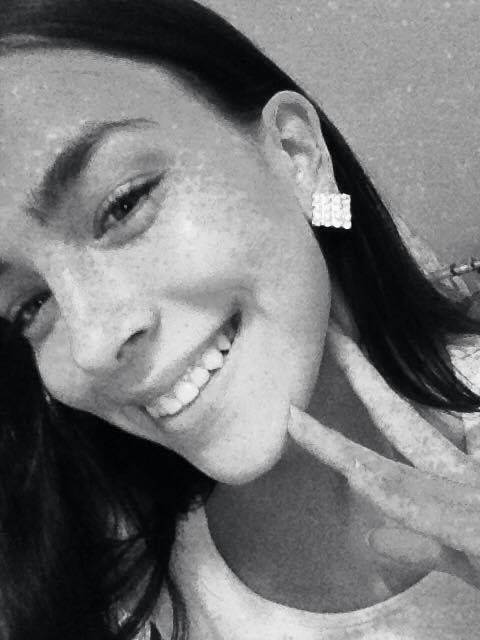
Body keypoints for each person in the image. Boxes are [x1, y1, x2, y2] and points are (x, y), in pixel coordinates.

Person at [1, 1, 480, 638]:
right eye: (30, 304)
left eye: (123, 204)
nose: (91, 345)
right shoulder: (125, 607)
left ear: (296, 154)